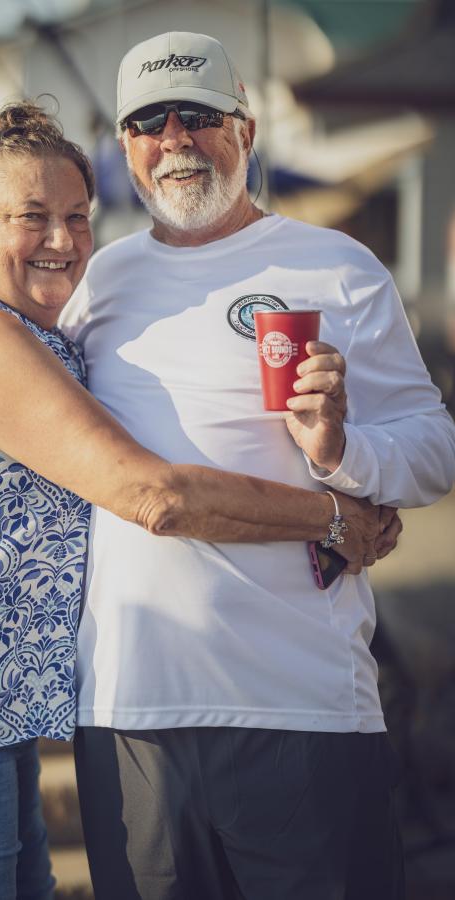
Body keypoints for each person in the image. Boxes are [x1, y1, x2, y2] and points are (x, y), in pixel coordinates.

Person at [0, 101, 385, 900]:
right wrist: (337, 518)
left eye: (78, 216)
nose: (64, 240)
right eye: (32, 217)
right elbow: (153, 494)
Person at [58, 32, 455, 900]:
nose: (174, 139)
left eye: (197, 115)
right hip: (129, 708)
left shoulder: (338, 265)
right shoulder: (95, 284)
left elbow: (434, 449)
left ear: (245, 127)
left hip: (303, 702)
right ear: (124, 144)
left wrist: (342, 451)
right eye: (148, 122)